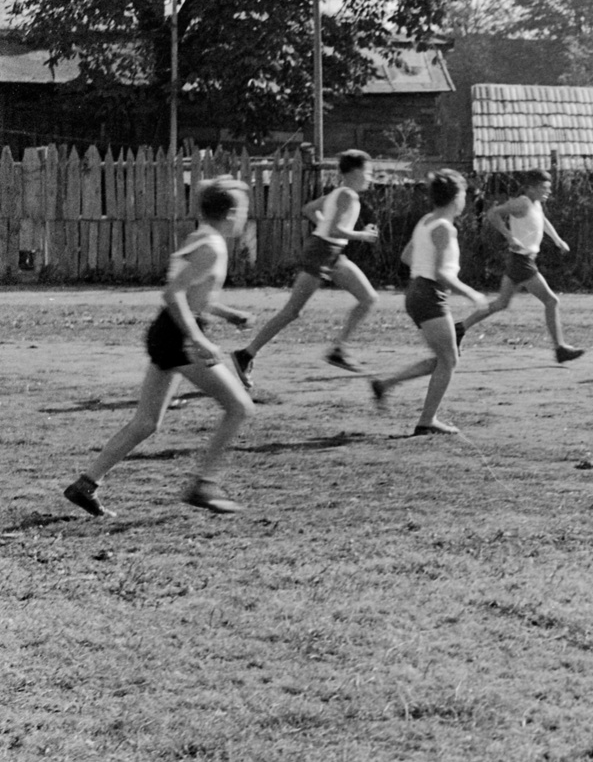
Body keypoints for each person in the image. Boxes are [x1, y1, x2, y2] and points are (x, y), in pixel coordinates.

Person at [63, 178, 255, 517]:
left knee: (147, 422)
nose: (245, 218)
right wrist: (197, 337)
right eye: (244, 212)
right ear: (232, 213)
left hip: (166, 330)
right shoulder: (212, 247)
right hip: (180, 335)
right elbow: (173, 294)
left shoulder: (200, 239)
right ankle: (203, 483)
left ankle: (86, 485)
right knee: (239, 406)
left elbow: (193, 295)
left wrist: (228, 314)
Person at [231, 150, 381, 388]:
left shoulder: (339, 194)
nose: (370, 177)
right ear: (354, 172)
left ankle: (338, 350)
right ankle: (245, 354)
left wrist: (325, 228)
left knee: (368, 298)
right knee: (292, 311)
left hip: (330, 252)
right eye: (368, 172)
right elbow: (333, 230)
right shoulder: (348, 197)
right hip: (321, 252)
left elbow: (309, 209)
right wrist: (362, 235)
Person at [368, 170, 488, 436]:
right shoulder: (445, 228)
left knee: (445, 358)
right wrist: (472, 294)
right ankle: (426, 421)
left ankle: (386, 385)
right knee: (449, 360)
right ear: (456, 197)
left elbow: (407, 255)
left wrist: (424, 273)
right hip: (429, 294)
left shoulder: (427, 221)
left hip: (417, 292)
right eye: (465, 194)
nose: (466, 199)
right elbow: (443, 273)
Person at [459, 170, 584, 364]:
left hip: (522, 260)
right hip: (522, 261)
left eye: (548, 188)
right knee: (552, 302)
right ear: (531, 188)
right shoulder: (522, 202)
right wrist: (509, 236)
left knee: (501, 304)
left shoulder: (534, 204)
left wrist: (557, 240)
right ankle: (560, 349)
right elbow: (493, 214)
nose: (547, 192)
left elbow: (542, 221)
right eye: (544, 188)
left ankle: (460, 328)